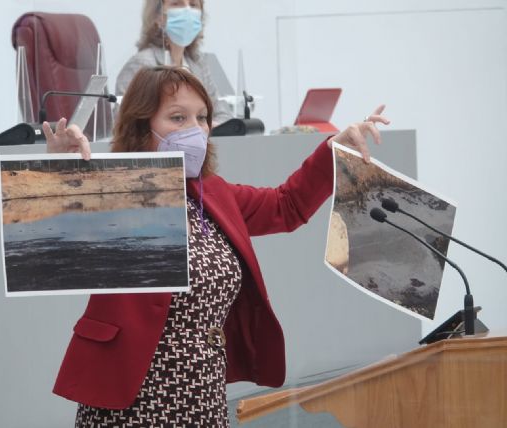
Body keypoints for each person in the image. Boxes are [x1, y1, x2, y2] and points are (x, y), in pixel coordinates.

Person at [44, 66, 389, 427]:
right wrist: (60, 173)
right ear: (141, 126)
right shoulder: (113, 193)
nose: (195, 129)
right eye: (178, 118)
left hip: (202, 389)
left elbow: (288, 207)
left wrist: (335, 151)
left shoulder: (215, 194)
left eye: (203, 117)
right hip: (132, 395)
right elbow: (49, 248)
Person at [115, 0, 234, 125]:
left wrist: (198, 130)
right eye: (177, 3)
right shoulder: (141, 64)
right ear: (157, 16)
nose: (187, 11)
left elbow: (224, 116)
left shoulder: (198, 64)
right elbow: (125, 125)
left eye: (193, 4)